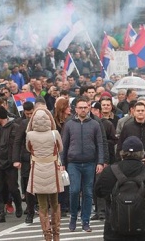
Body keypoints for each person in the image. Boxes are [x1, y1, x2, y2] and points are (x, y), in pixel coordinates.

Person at [95, 136, 145, 241]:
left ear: (122, 153)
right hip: (144, 233)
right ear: (142, 154)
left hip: (114, 233)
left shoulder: (109, 171)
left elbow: (98, 192)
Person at [60, 96, 104, 233]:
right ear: (76, 109)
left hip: (90, 163)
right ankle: (73, 217)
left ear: (89, 108)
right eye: (80, 107)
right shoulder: (69, 124)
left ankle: (86, 221)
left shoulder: (95, 124)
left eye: (85, 107)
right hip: (73, 163)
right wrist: (62, 163)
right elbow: (63, 145)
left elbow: (100, 144)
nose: (83, 109)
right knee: (73, 191)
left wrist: (100, 162)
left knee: (88, 193)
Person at [25, 107, 64, 241]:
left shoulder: (30, 135)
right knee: (55, 203)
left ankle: (46, 235)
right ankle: (56, 234)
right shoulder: (54, 133)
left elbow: (28, 148)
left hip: (37, 170)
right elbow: (60, 148)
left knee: (42, 206)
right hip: (52, 169)